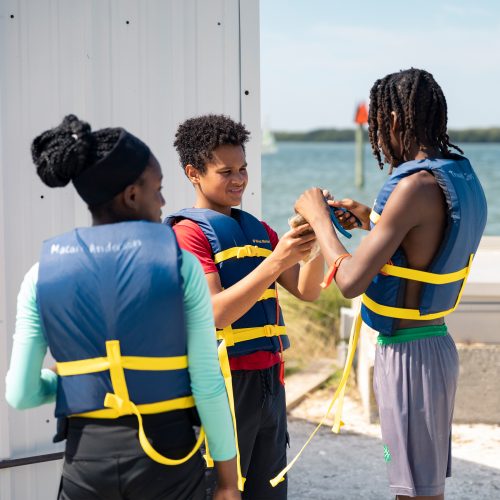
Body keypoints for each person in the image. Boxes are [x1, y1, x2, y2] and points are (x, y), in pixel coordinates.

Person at [5, 115, 240, 500]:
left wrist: (73, 379)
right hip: (169, 460)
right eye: (158, 189)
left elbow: (20, 394)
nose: (164, 201)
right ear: (132, 194)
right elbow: (207, 382)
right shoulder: (178, 264)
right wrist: (228, 482)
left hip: (86, 466)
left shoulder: (40, 274)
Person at [293, 68, 487, 500]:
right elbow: (422, 243)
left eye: (379, 128)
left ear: (395, 121)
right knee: (419, 488)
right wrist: (369, 218)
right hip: (433, 344)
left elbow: (349, 281)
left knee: (414, 492)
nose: (378, 138)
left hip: (410, 357)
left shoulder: (414, 185)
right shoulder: (454, 174)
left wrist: (320, 220)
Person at [165, 114, 324, 499]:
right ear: (194, 173)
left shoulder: (260, 229)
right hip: (225, 384)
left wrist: (317, 237)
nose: (239, 179)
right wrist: (277, 261)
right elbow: (215, 312)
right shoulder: (187, 234)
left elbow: (307, 290)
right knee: (222, 488)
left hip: (271, 380)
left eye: (243, 169)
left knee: (268, 487)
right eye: (226, 171)